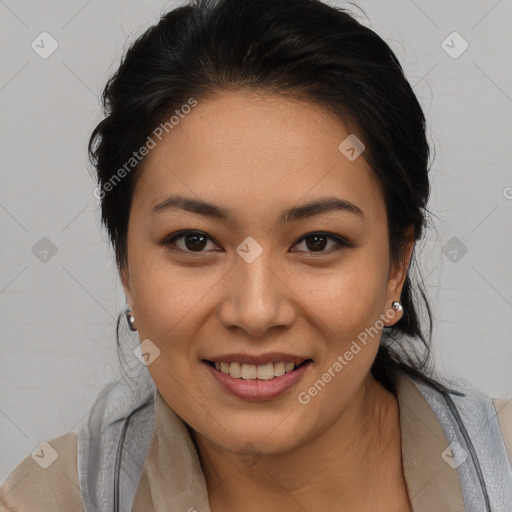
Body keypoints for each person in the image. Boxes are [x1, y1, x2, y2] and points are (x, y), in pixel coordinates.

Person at [1, 0, 511, 510]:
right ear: (126, 268)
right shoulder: (52, 499)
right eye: (194, 241)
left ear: (396, 266)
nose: (256, 311)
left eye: (317, 242)